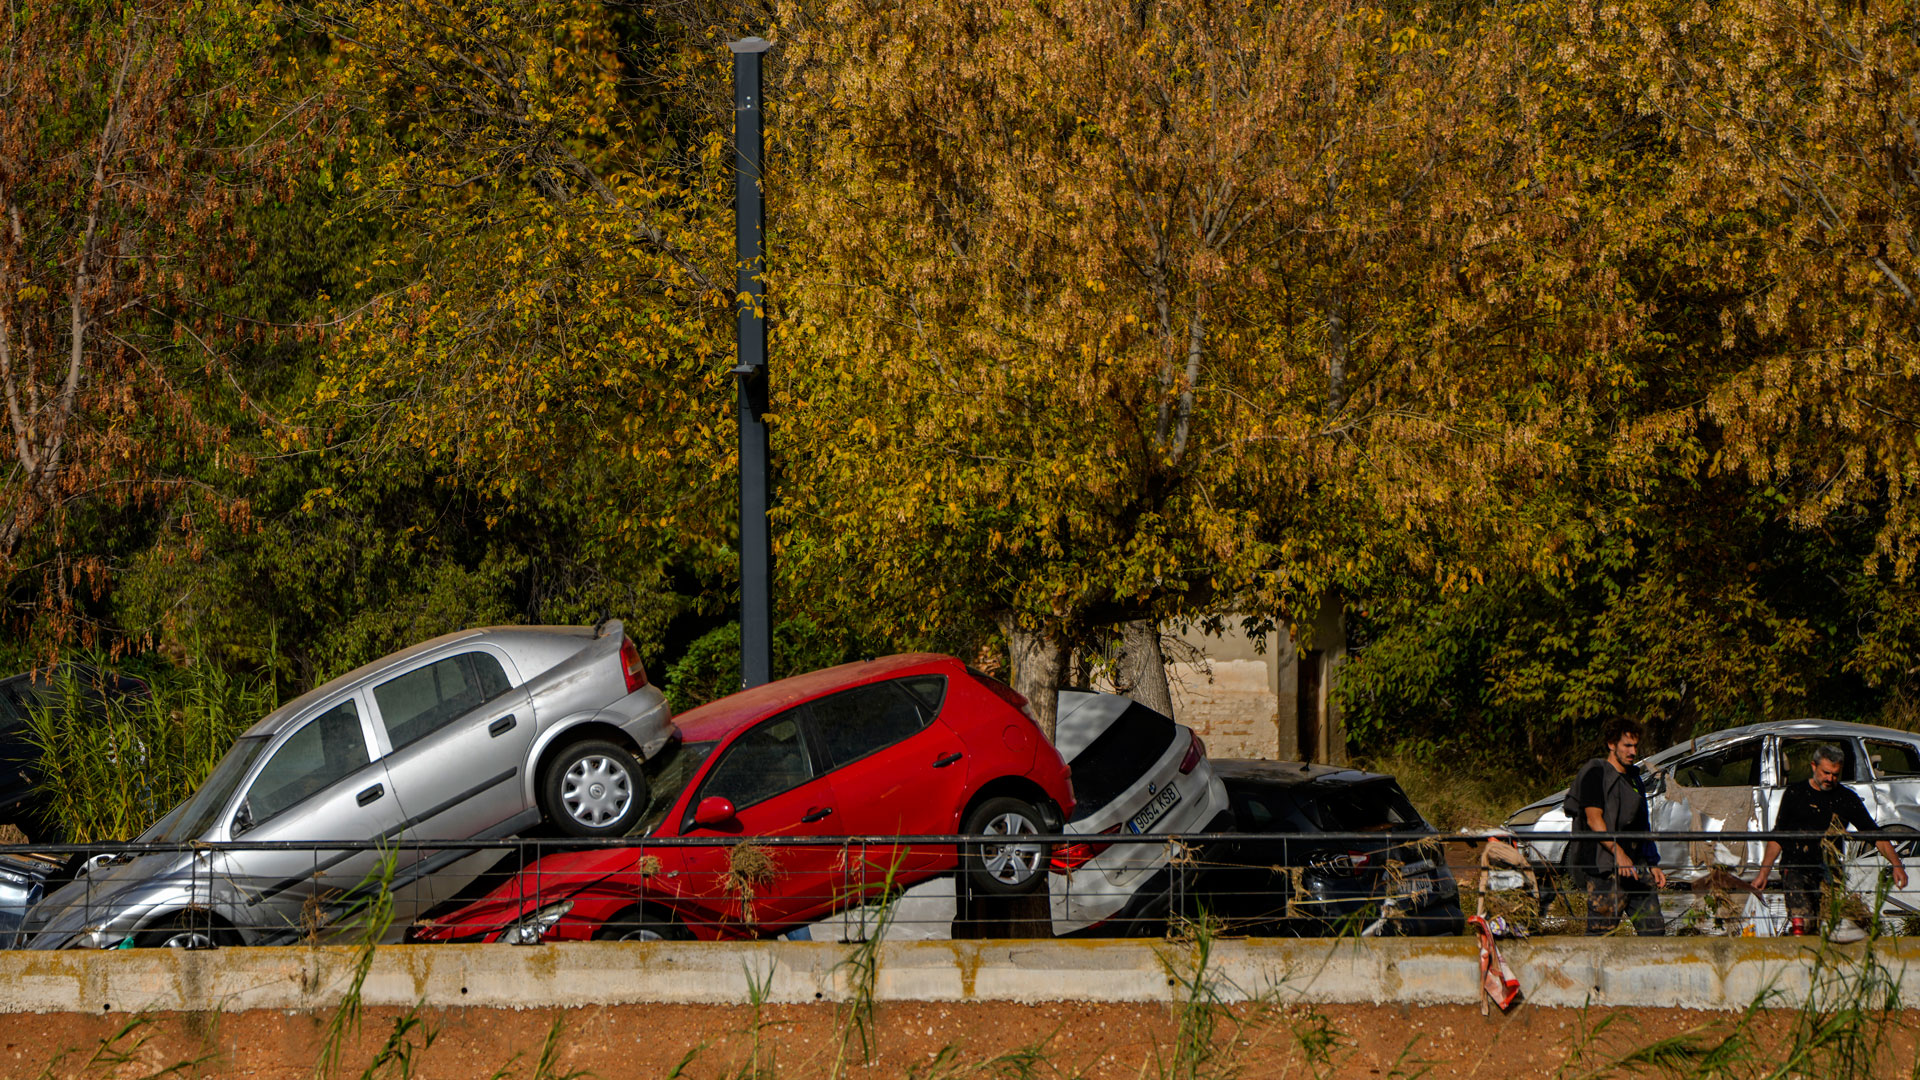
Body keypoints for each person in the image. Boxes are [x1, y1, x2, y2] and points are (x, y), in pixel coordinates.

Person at [1753, 743, 1908, 941]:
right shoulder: (1795, 794)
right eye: (1826, 773)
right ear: (1813, 766)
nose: (1830, 779)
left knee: (1831, 926)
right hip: (1796, 869)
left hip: (1830, 872)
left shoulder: (1846, 798)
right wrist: (1764, 872)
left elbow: (1874, 834)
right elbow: (1778, 837)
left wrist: (1897, 865)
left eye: (1835, 774)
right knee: (1804, 923)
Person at [1567, 718, 1667, 934]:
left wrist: (1653, 862)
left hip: (1636, 866)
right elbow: (1594, 819)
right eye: (1627, 745)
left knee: (1654, 931)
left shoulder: (1634, 778)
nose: (1633, 751)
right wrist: (1618, 853)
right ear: (1612, 745)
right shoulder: (1595, 773)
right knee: (1600, 934)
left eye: (1635, 746)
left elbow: (1642, 823)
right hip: (1605, 869)